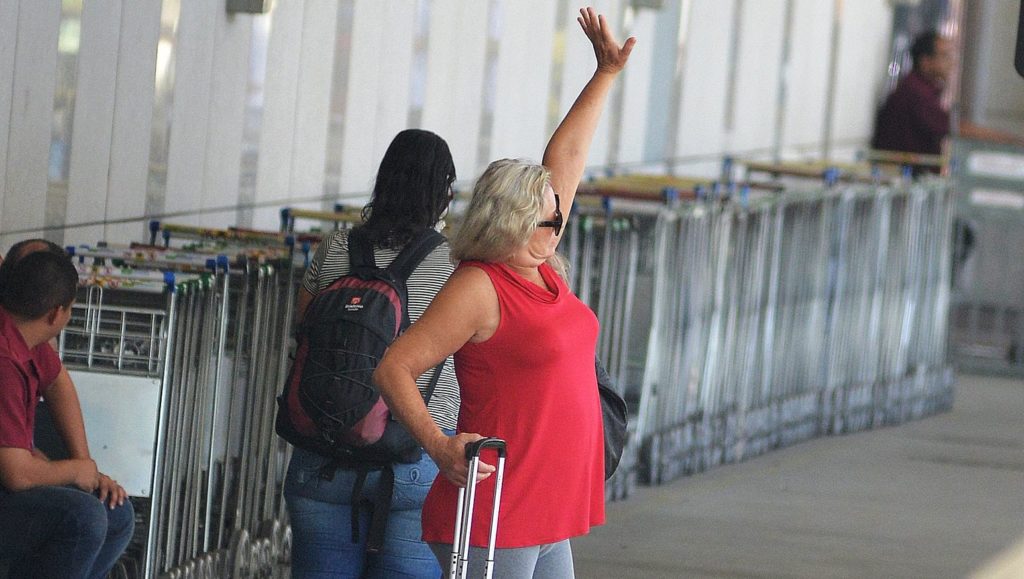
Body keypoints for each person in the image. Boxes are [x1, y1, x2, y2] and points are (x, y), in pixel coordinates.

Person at [373, 8, 634, 578]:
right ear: (510, 223)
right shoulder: (479, 287)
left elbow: (563, 161)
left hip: (544, 509)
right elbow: (395, 367)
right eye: (547, 221)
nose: (558, 227)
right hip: (497, 512)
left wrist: (605, 74)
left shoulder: (540, 262)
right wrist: (441, 448)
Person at [283, 128, 461, 578]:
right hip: (414, 458)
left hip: (321, 454)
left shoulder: (335, 248)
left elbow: (302, 329)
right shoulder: (456, 266)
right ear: (442, 193)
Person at [0, 249, 134, 579]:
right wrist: (75, 470)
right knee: (83, 517)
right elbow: (17, 475)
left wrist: (88, 471)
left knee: (116, 513)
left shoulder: (26, 340)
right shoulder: (5, 360)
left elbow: (58, 385)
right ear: (56, 313)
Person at [872, 30, 1024, 161]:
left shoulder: (922, 89)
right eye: (945, 56)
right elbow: (956, 128)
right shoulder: (915, 92)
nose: (951, 62)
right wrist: (1011, 140)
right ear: (926, 61)